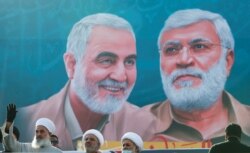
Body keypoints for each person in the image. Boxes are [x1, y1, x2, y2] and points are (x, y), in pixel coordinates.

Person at [16, 13, 155, 150]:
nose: (121, 76)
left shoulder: (148, 126)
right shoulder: (24, 120)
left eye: (129, 61)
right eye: (106, 60)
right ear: (72, 65)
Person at [143, 9, 250, 145]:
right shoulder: (133, 127)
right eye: (171, 49)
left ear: (227, 61)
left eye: (199, 46)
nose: (184, 60)